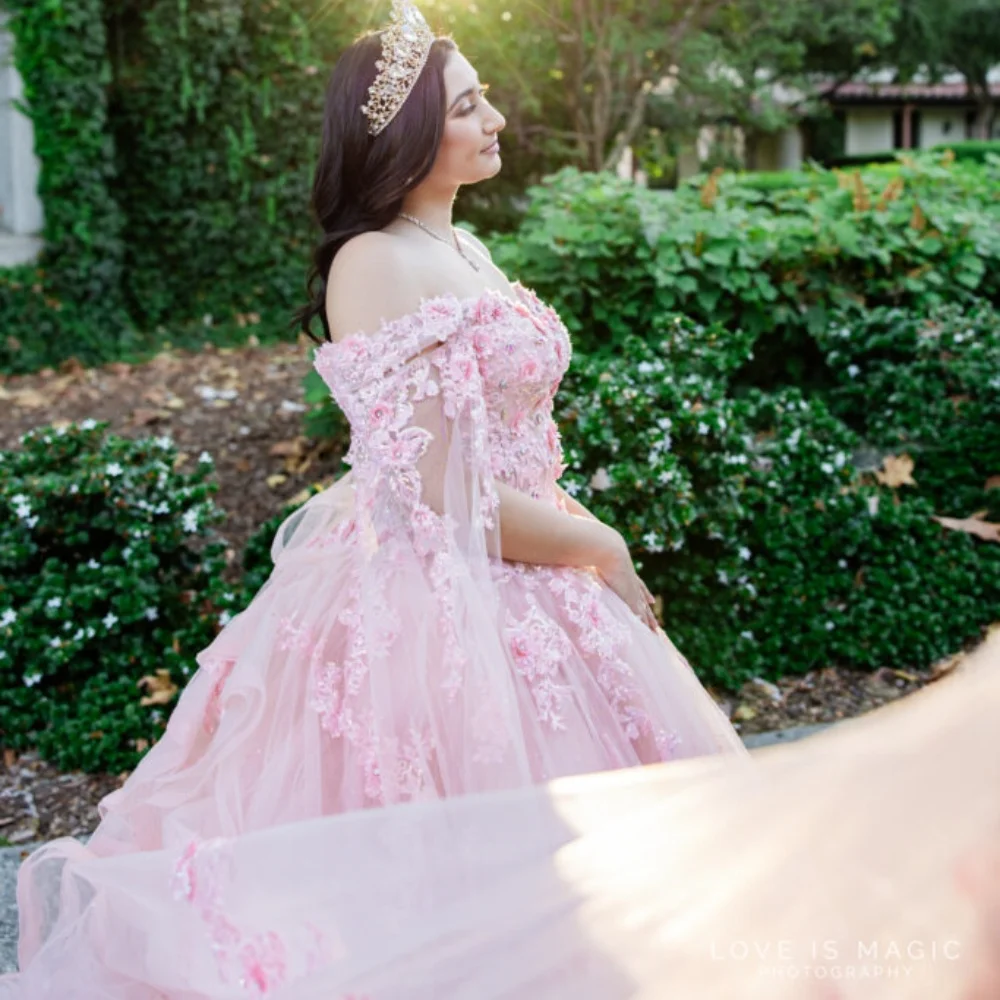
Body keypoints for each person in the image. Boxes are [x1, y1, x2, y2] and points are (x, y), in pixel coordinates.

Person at [0, 3, 750, 996]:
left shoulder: (462, 247)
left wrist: (577, 547)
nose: (496, 120)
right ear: (403, 135)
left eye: (486, 98)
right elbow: (445, 501)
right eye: (470, 106)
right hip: (442, 592)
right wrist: (598, 544)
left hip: (530, 570)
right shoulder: (375, 261)